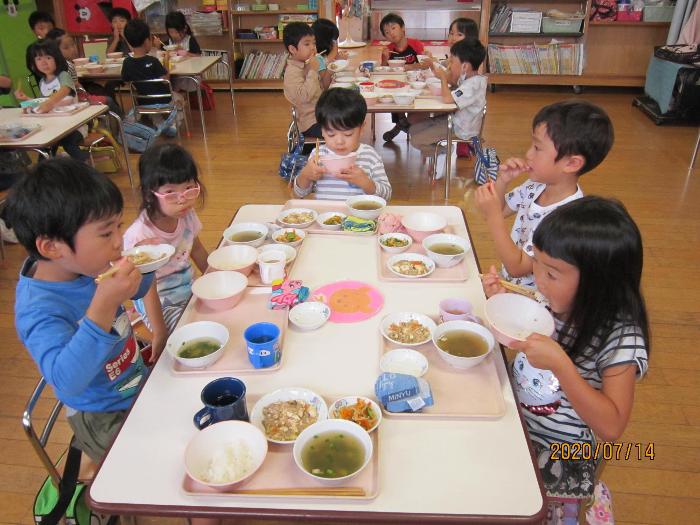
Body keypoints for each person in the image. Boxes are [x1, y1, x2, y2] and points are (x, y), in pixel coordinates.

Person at [481, 196, 649, 518]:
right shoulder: (555, 304)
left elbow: (612, 426)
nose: (537, 282)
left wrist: (562, 365)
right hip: (515, 418)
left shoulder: (620, 339)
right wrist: (503, 307)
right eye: (537, 266)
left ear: (598, 282)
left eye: (552, 275)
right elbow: (527, 351)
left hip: (563, 452)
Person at [7, 158, 166, 463]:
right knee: (168, 470)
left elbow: (139, 290)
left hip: (137, 382)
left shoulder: (84, 264)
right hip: (102, 415)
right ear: (52, 247)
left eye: (119, 226)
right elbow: (66, 381)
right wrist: (103, 304)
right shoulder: (39, 310)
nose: (120, 241)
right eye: (107, 234)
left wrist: (146, 265)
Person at [475, 100, 614, 289]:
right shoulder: (535, 185)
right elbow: (500, 209)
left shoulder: (566, 218)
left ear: (571, 164)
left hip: (536, 302)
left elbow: (517, 267)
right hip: (511, 286)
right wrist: (502, 181)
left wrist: (492, 218)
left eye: (538, 148)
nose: (528, 154)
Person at [123, 144, 209, 332]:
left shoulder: (186, 214)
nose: (182, 199)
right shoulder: (139, 235)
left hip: (188, 289)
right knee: (189, 332)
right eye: (170, 193)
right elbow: (146, 290)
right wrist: (160, 333)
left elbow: (197, 249)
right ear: (148, 194)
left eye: (189, 188)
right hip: (158, 303)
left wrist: (215, 277)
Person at [294, 88, 392, 202]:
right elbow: (298, 194)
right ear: (322, 130)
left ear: (361, 129)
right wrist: (305, 175)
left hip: (359, 218)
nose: (339, 141)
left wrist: (366, 183)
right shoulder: (318, 155)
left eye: (348, 134)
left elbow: (387, 196)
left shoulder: (370, 156)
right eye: (331, 134)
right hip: (326, 217)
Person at [409, 38, 487, 176]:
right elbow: (453, 81)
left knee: (416, 139)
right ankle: (439, 152)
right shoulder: (469, 78)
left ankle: (442, 152)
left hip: (461, 129)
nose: (450, 65)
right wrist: (436, 69)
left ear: (465, 67)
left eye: (452, 61)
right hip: (454, 120)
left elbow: (447, 98)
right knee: (414, 129)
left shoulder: (473, 85)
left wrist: (443, 78)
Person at [15, 40, 88, 161]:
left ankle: (84, 167)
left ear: (57, 58)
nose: (43, 62)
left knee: (68, 143)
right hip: (53, 126)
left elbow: (64, 91)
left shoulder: (63, 75)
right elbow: (42, 102)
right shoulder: (43, 82)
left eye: (48, 57)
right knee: (44, 146)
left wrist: (50, 103)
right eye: (38, 59)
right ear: (33, 63)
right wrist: (27, 99)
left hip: (73, 126)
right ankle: (45, 174)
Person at [121, 19, 180, 135]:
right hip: (163, 100)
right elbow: (166, 80)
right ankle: (171, 123)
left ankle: (156, 121)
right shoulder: (153, 61)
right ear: (146, 41)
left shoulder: (127, 62)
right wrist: (166, 62)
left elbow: (127, 81)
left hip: (142, 101)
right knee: (180, 98)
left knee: (151, 100)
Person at [380, 12, 425, 143]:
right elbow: (383, 71)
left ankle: (401, 125)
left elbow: (425, 64)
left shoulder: (415, 44)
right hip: (397, 85)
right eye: (387, 32)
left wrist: (408, 67)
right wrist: (385, 59)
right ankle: (402, 121)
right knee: (391, 93)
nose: (391, 34)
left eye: (393, 28)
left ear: (403, 28)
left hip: (416, 83)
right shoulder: (388, 49)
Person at [283, 21, 323, 150]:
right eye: (307, 44)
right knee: (342, 130)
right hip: (310, 123)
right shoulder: (292, 72)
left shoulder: (306, 64)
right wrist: (313, 71)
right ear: (293, 49)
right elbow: (304, 97)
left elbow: (320, 89)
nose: (312, 47)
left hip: (319, 115)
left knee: (347, 119)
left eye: (314, 43)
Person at [311, 18, 347, 89]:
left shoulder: (322, 56)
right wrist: (333, 53)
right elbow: (325, 86)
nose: (335, 43)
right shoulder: (317, 58)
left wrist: (337, 59)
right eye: (333, 41)